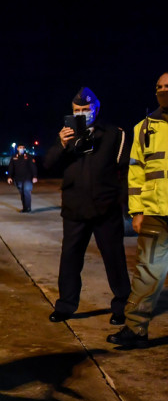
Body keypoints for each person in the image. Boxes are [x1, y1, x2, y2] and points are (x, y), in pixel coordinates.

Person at [43, 87, 130, 325]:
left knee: (114, 258)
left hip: (106, 208)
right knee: (70, 259)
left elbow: (124, 171)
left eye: (86, 109)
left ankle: (121, 305)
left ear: (96, 109)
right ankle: (65, 305)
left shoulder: (114, 134)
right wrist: (62, 144)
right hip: (75, 209)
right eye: (77, 110)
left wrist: (124, 204)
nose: (82, 113)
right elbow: (48, 164)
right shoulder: (67, 135)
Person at [108, 72, 168, 349]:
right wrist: (137, 212)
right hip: (156, 213)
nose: (163, 90)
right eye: (159, 87)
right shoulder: (144, 127)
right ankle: (135, 329)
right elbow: (135, 174)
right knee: (147, 272)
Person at [6, 145, 38, 212]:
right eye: (20, 148)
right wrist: (9, 177)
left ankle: (28, 207)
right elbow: (11, 168)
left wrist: (34, 176)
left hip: (27, 178)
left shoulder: (28, 156)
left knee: (26, 191)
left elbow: (33, 167)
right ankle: (24, 208)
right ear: (17, 148)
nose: (22, 149)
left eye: (23, 148)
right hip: (18, 178)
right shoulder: (14, 157)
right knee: (22, 193)